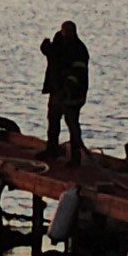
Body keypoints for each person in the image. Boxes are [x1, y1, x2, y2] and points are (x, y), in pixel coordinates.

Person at [37, 21, 90, 166]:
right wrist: (45, 49)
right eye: (65, 31)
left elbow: (79, 73)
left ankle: (75, 157)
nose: (66, 34)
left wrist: (68, 89)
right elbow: (53, 56)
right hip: (57, 90)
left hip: (73, 95)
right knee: (53, 120)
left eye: (69, 31)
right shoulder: (59, 43)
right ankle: (51, 149)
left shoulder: (79, 50)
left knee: (72, 124)